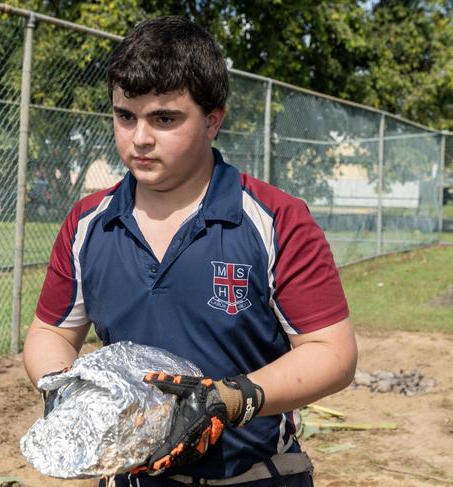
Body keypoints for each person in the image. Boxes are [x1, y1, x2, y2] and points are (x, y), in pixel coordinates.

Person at [23, 15, 358, 487]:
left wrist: (232, 399)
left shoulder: (276, 219)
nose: (139, 138)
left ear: (213, 120)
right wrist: (67, 392)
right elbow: (49, 333)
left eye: (164, 118)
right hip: (132, 477)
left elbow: (333, 353)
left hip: (253, 477)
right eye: (125, 116)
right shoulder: (87, 223)